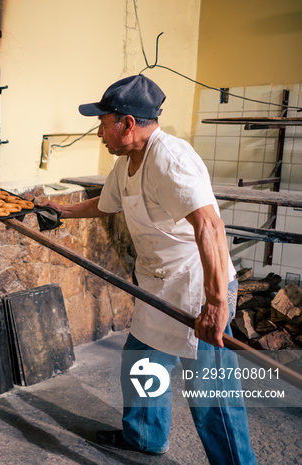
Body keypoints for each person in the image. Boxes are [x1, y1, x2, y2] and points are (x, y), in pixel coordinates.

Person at [43, 75, 257, 464]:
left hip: (195, 288)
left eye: (103, 122)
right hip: (158, 287)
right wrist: (63, 211)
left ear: (126, 123)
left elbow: (209, 225)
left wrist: (215, 303)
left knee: (212, 396)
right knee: (141, 365)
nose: (99, 132)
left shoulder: (170, 158)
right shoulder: (127, 162)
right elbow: (107, 204)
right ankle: (144, 438)